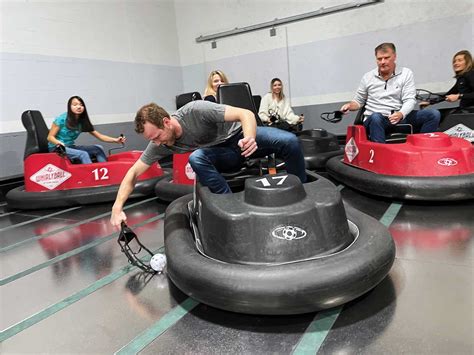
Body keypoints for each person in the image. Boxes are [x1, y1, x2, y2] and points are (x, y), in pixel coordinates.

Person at [110, 100, 306, 227]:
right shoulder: (159, 143)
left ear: (166, 122)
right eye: (153, 140)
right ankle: (231, 208)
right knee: (196, 158)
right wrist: (117, 208)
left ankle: (302, 195)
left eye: (158, 136)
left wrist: (249, 138)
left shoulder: (195, 111)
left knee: (290, 142)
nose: (158, 143)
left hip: (239, 138)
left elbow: (245, 113)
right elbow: (133, 173)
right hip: (223, 156)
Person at [340, 43, 441, 143]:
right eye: (379, 59)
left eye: (386, 58)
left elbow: (410, 100)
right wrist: (349, 105)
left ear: (394, 57)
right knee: (376, 117)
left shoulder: (406, 73)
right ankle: (380, 155)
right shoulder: (368, 77)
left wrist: (401, 113)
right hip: (375, 119)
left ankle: (421, 147)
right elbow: (358, 101)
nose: (382, 62)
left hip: (397, 117)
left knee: (433, 114)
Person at [47, 96, 126, 163]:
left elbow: (100, 136)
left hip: (70, 147)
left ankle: (106, 170)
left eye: (81, 105)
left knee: (98, 148)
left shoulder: (82, 121)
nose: (79, 107)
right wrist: (59, 143)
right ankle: (91, 178)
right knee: (83, 154)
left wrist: (116, 140)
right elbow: (50, 137)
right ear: (69, 107)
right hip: (57, 148)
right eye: (75, 105)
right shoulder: (61, 119)